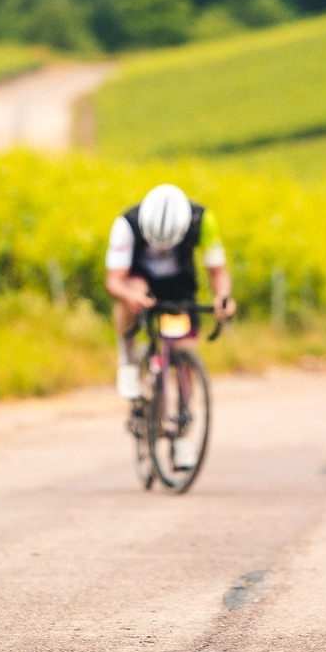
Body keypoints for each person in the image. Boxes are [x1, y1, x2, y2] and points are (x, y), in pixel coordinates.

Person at [105, 183, 236, 466]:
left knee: (185, 352)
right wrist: (130, 295)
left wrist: (223, 298)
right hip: (141, 283)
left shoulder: (203, 220)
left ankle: (181, 434)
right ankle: (127, 361)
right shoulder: (126, 223)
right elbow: (115, 279)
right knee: (131, 295)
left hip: (180, 288)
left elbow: (218, 271)